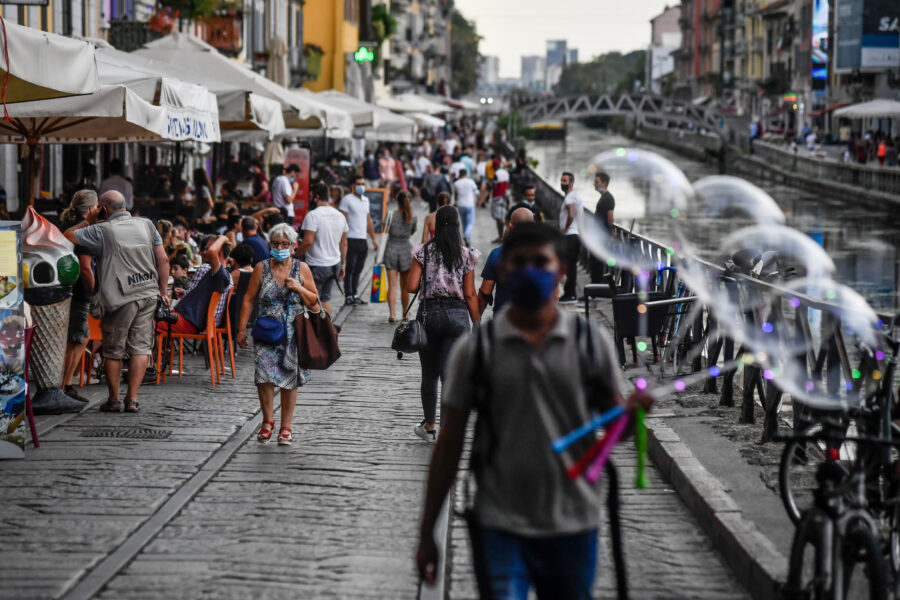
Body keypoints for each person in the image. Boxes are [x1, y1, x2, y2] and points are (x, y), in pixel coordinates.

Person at [415, 223, 653, 598]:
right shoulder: (477, 350)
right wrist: (428, 531)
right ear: (505, 269)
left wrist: (631, 414)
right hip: (499, 521)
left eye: (540, 262)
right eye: (520, 262)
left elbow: (617, 431)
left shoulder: (591, 344)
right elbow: (449, 444)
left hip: (574, 522)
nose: (530, 270)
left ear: (561, 271)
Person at [63, 191, 168, 413]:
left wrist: (88, 220)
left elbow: (67, 236)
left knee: (113, 350)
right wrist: (162, 292)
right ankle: (132, 399)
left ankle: (113, 399)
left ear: (103, 208)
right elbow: (163, 260)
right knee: (141, 348)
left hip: (120, 297)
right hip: (148, 293)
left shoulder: (101, 230)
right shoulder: (147, 225)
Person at [236, 223, 320, 447]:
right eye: (276, 243)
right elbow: (248, 299)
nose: (280, 247)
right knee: (263, 376)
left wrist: (299, 288)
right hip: (266, 330)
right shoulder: (261, 268)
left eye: (285, 244)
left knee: (289, 379)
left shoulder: (301, 269)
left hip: (293, 331)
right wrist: (241, 328)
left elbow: (314, 301)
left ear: (294, 246)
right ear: (269, 244)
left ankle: (286, 427)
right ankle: (267, 422)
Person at [407, 206, 481, 443]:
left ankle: (429, 427)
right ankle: (448, 432)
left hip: (429, 315)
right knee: (451, 376)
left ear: (436, 225)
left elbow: (410, 286)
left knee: (429, 375)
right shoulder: (466, 254)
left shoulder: (423, 252)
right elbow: (470, 294)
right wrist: (477, 323)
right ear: (458, 225)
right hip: (457, 316)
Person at [58, 190, 98, 402]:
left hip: (64, 288)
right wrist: (94, 292)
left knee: (77, 337)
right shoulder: (83, 233)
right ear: (91, 209)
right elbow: (86, 268)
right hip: (79, 291)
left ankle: (65, 385)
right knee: (78, 337)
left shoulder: (66, 226)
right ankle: (64, 385)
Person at [158, 235, 233, 335]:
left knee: (148, 322)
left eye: (208, 249)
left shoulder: (221, 275)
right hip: (188, 319)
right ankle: (156, 350)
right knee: (153, 317)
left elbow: (212, 252)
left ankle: (151, 350)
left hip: (188, 322)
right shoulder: (218, 274)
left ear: (219, 252)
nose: (204, 252)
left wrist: (223, 238)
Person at [298, 182, 348, 315]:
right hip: (334, 265)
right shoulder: (340, 215)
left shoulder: (313, 215)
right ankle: (327, 330)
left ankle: (316, 331)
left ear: (316, 197)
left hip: (317, 265)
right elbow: (344, 243)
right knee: (325, 298)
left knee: (311, 299)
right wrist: (342, 265)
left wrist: (296, 254)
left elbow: (308, 241)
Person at [479, 207, 534, 315]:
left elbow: (485, 293)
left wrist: (477, 320)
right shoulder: (545, 256)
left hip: (503, 321)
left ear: (510, 225)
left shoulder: (497, 254)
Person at [338, 175, 378, 305]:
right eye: (358, 184)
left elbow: (368, 220)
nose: (361, 186)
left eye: (363, 183)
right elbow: (341, 219)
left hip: (362, 239)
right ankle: (348, 295)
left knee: (359, 268)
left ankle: (355, 293)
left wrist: (373, 239)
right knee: (350, 268)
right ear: (352, 186)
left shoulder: (366, 200)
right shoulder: (346, 200)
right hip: (350, 238)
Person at [383, 190, 417, 323]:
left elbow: (384, 231)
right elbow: (412, 232)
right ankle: (405, 313)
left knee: (392, 285)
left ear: (397, 201)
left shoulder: (390, 215)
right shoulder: (413, 218)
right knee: (405, 286)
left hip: (391, 249)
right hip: (406, 251)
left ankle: (392, 314)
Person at [558, 171, 583, 304]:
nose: (562, 183)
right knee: (571, 266)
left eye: (565, 181)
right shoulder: (574, 196)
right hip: (575, 235)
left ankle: (570, 294)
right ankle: (570, 293)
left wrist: (565, 228)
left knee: (569, 267)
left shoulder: (570, 197)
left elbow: (572, 213)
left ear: (571, 183)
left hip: (570, 236)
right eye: (561, 181)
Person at [591, 171, 615, 284]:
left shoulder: (608, 198)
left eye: (597, 182)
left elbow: (610, 219)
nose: (594, 184)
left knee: (597, 263)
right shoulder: (603, 197)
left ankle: (597, 287)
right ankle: (595, 286)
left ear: (604, 183)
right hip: (598, 234)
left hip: (602, 235)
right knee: (595, 262)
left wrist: (611, 234)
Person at [453, 168, 479, 244]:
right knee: (470, 222)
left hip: (461, 205)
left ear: (459, 174)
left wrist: (455, 202)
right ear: (466, 174)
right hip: (470, 204)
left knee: (464, 222)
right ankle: (467, 235)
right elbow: (476, 191)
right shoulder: (471, 182)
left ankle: (467, 239)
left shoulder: (456, 183)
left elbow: (456, 194)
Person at [490, 160, 510, 243]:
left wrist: (490, 184)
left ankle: (501, 237)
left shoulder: (496, 174)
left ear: (495, 166)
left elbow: (495, 187)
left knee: (499, 218)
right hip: (504, 196)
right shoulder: (506, 173)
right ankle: (502, 236)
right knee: (502, 216)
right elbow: (508, 185)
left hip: (497, 197)